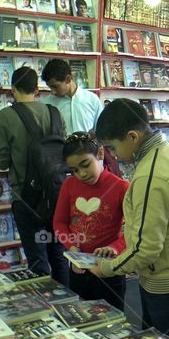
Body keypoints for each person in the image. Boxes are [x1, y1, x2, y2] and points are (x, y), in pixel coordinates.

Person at [89, 99, 169, 339]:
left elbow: (146, 249)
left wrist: (106, 268)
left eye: (113, 147)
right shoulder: (162, 152)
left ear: (132, 136)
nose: (113, 156)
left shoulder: (151, 173)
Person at [0, 66, 69, 285]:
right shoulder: (55, 113)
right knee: (59, 255)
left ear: (13, 89)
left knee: (37, 259)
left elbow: (2, 162)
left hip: (25, 197)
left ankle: (44, 302)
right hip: (56, 194)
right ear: (36, 89)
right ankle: (67, 301)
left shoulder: (5, 116)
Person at [53, 131, 129, 309]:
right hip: (79, 268)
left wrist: (114, 248)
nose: (81, 173)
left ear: (100, 153)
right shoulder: (69, 185)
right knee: (80, 315)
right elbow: (59, 222)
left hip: (109, 268)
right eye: (74, 170)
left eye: (85, 165)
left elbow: (133, 230)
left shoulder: (121, 187)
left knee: (112, 317)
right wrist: (72, 247)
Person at [40, 58, 102, 135]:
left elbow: (100, 131)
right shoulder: (46, 105)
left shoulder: (92, 100)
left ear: (68, 79)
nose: (53, 92)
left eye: (55, 87)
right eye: (50, 87)